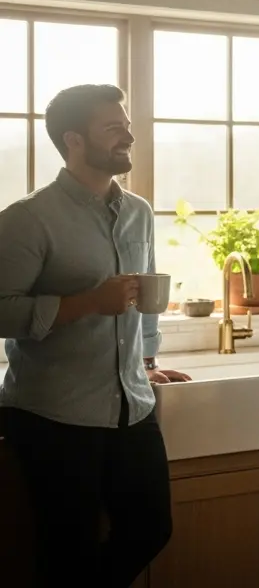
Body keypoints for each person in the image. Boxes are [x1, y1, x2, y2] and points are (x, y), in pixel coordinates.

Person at [0, 84, 188, 586]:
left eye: (126, 125)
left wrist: (145, 363)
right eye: (113, 127)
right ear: (74, 140)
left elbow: (143, 297)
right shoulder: (26, 220)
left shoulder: (139, 211)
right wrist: (86, 303)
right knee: (68, 553)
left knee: (152, 528)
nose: (128, 135)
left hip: (132, 406)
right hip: (53, 415)